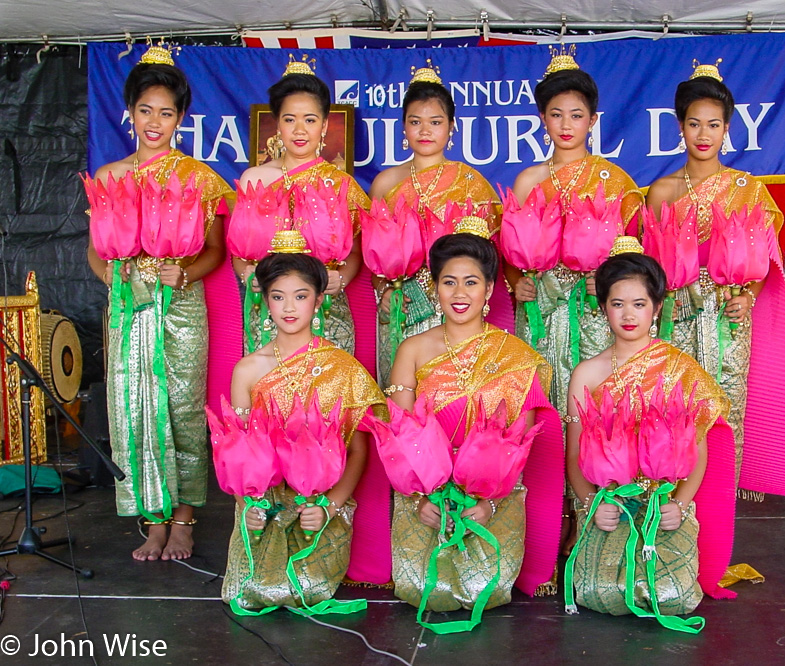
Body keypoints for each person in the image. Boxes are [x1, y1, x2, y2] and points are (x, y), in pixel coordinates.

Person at [86, 43, 233, 561]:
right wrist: (112, 277)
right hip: (129, 308)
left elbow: (216, 250)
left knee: (183, 409)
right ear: (129, 113)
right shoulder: (108, 177)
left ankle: (186, 518)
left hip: (181, 305)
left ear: (181, 118)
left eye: (166, 112)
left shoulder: (199, 179)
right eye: (145, 110)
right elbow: (94, 249)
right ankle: (152, 518)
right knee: (132, 408)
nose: (155, 121)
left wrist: (184, 272)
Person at [644, 61, 785, 502]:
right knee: (671, 404)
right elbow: (648, 269)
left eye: (713, 125)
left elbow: (765, 259)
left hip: (726, 315)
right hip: (674, 314)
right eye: (694, 123)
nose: (703, 134)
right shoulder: (661, 192)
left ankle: (718, 508)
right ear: (679, 126)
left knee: (724, 407)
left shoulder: (747, 188)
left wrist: (749, 298)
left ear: (727, 128)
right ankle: (667, 504)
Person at [387, 225, 563, 612]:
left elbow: (519, 441)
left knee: (487, 589)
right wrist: (421, 497)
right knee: (424, 590)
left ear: (489, 290)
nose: (460, 293)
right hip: (424, 497)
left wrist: (489, 503)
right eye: (449, 282)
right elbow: (400, 432)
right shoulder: (412, 350)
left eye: (471, 282)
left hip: (493, 498)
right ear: (435, 288)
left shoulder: (516, 355)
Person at [565, 243, 737, 615]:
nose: (628, 315)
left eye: (639, 304)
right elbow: (575, 452)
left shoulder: (680, 368)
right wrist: (590, 506)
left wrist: (679, 504)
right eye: (617, 304)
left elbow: (699, 449)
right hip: (608, 503)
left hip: (665, 505)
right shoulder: (586, 374)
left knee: (671, 596)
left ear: (657, 308)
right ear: (603, 308)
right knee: (598, 593)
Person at [223, 250, 387, 610]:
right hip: (263, 507)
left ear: (318, 300)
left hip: (320, 505)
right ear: (265, 302)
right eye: (278, 297)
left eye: (300, 296)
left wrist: (329, 507)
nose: (289, 307)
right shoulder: (248, 370)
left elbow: (359, 450)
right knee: (249, 594)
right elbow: (239, 451)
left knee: (306, 590)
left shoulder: (342, 367)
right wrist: (246, 506)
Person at [508, 46, 644, 418]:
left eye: (576, 115)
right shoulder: (528, 181)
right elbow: (509, 253)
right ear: (542, 118)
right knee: (543, 398)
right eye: (556, 115)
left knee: (597, 403)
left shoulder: (614, 181)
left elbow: (637, 256)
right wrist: (515, 282)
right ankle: (548, 474)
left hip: (596, 310)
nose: (566, 126)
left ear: (592, 121)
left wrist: (607, 280)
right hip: (541, 311)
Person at [368, 60, 513, 385]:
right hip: (402, 309)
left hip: (455, 304)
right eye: (415, 122)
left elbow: (488, 258)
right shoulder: (385, 183)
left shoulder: (472, 183)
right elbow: (375, 254)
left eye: (435, 122)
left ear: (451, 127)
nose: (424, 131)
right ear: (403, 127)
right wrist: (385, 291)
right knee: (404, 395)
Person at [234, 57, 371, 358]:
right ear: (276, 123)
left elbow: (358, 251)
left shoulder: (341, 184)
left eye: (309, 120)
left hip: (328, 314)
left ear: (324, 124)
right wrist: (247, 275)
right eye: (289, 119)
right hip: (269, 315)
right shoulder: (254, 180)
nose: (299, 130)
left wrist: (342, 277)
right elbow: (238, 252)